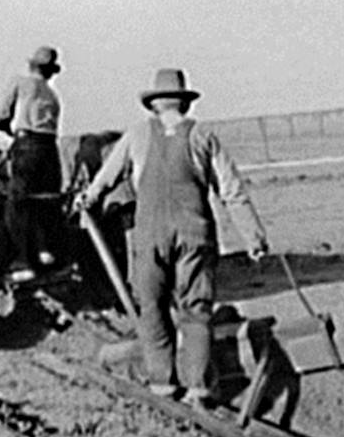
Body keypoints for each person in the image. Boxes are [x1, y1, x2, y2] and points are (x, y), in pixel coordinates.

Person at [77, 68, 269, 406]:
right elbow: (232, 191)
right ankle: (197, 387)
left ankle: (163, 383)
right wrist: (253, 237)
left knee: (151, 307)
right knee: (195, 309)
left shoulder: (136, 136)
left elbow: (106, 178)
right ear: (184, 104)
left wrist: (88, 198)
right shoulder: (203, 136)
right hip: (195, 236)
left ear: (154, 105)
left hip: (149, 237)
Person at [0, 45, 63, 282]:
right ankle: (46, 250)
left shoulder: (20, 83)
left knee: (18, 204)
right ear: (51, 72)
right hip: (50, 149)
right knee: (46, 201)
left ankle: (21, 261)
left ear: (31, 65)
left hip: (27, 144)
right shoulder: (53, 96)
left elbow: (1, 115)